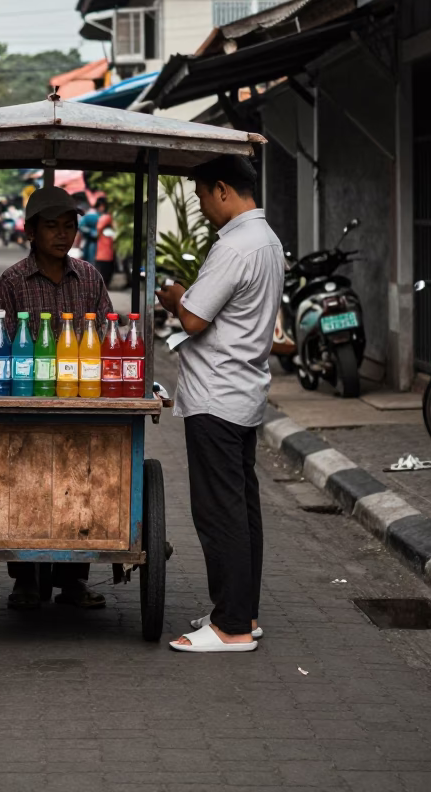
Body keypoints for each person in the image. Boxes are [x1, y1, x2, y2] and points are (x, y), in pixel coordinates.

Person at [155, 155, 282, 655]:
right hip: (243, 388)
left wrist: (175, 296)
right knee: (242, 507)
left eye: (203, 197)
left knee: (219, 511)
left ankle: (230, 627)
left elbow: (193, 319)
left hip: (217, 394)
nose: (204, 208)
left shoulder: (236, 245)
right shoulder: (268, 241)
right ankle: (241, 613)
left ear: (224, 190)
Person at [0, 185, 113, 611]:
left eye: (70, 227)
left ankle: (73, 579)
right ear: (31, 231)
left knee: (85, 484)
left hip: (82, 401)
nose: (63, 235)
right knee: (23, 482)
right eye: (52, 227)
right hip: (26, 404)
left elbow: (109, 338)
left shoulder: (91, 278)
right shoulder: (12, 282)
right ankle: (24, 576)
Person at [92, 197, 115, 287]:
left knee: (104, 273)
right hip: (105, 251)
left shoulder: (105, 217)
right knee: (105, 273)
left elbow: (98, 228)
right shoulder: (107, 218)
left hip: (104, 252)